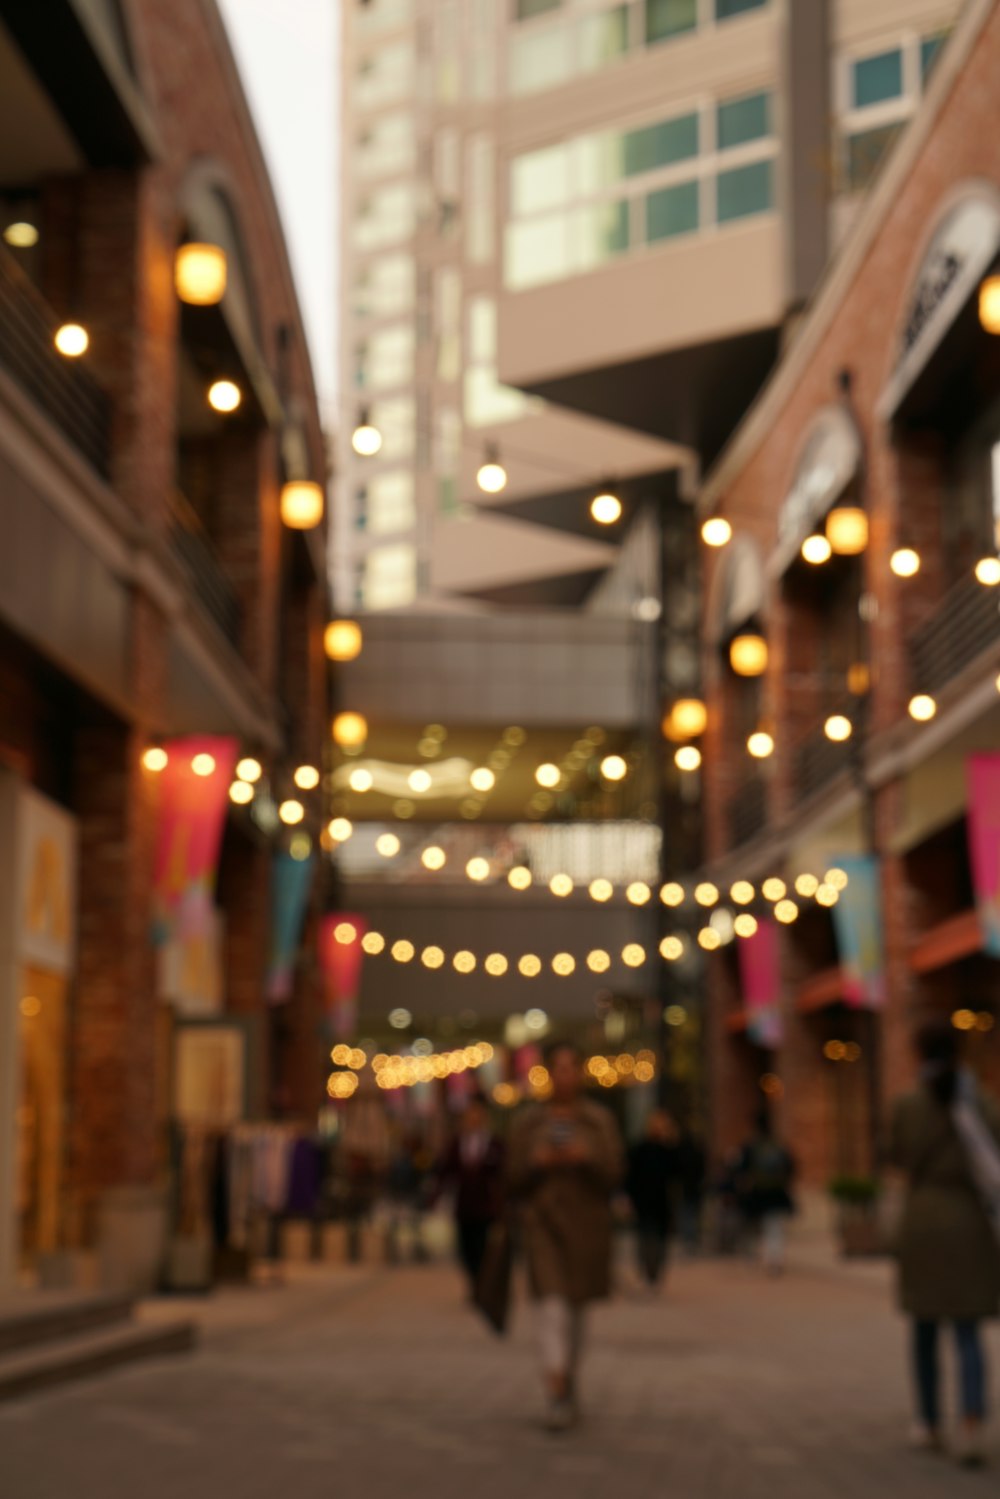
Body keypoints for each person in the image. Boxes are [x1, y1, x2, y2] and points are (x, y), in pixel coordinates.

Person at [889, 1019, 1000, 1467]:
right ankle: (972, 1421)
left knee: (924, 1327)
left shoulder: (908, 1105)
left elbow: (896, 1155)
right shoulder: (982, 1103)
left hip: (922, 1221)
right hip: (969, 1221)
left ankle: (928, 1422)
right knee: (968, 1329)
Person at [508, 1041, 624, 1432]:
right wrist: (536, 1162)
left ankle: (568, 1378)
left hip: (587, 1228)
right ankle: (556, 1388)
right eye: (557, 1067)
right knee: (552, 1307)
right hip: (543, 1225)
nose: (564, 1075)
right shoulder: (528, 1123)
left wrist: (584, 1156)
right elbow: (511, 1178)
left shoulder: (598, 1121)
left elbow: (613, 1174)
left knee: (576, 1312)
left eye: (570, 1067)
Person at [434, 1096, 505, 1295]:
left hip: (486, 1205)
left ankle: (482, 1283)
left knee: (484, 1245)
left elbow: (502, 1172)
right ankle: (474, 1280)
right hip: (464, 1205)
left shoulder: (495, 1143)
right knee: (465, 1247)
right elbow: (445, 1171)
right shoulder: (457, 1143)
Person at [626, 1110, 680, 1290]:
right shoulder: (640, 1149)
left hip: (661, 1202)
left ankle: (654, 1272)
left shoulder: (668, 1151)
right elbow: (630, 1176)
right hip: (644, 1201)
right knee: (646, 1238)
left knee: (660, 1240)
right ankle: (648, 1271)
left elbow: (679, 1172)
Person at [737, 1109, 795, 1274]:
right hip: (776, 1193)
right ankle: (775, 1258)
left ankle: (758, 1255)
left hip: (759, 1193)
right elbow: (791, 1167)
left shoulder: (751, 1146)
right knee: (774, 1227)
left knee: (756, 1225)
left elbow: (742, 1170)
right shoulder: (778, 1145)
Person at [675, 1124, 707, 1254]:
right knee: (693, 1214)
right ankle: (692, 1238)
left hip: (685, 1188)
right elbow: (702, 1171)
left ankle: (688, 1238)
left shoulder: (681, 1154)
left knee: (686, 1214)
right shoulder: (697, 1154)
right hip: (695, 1188)